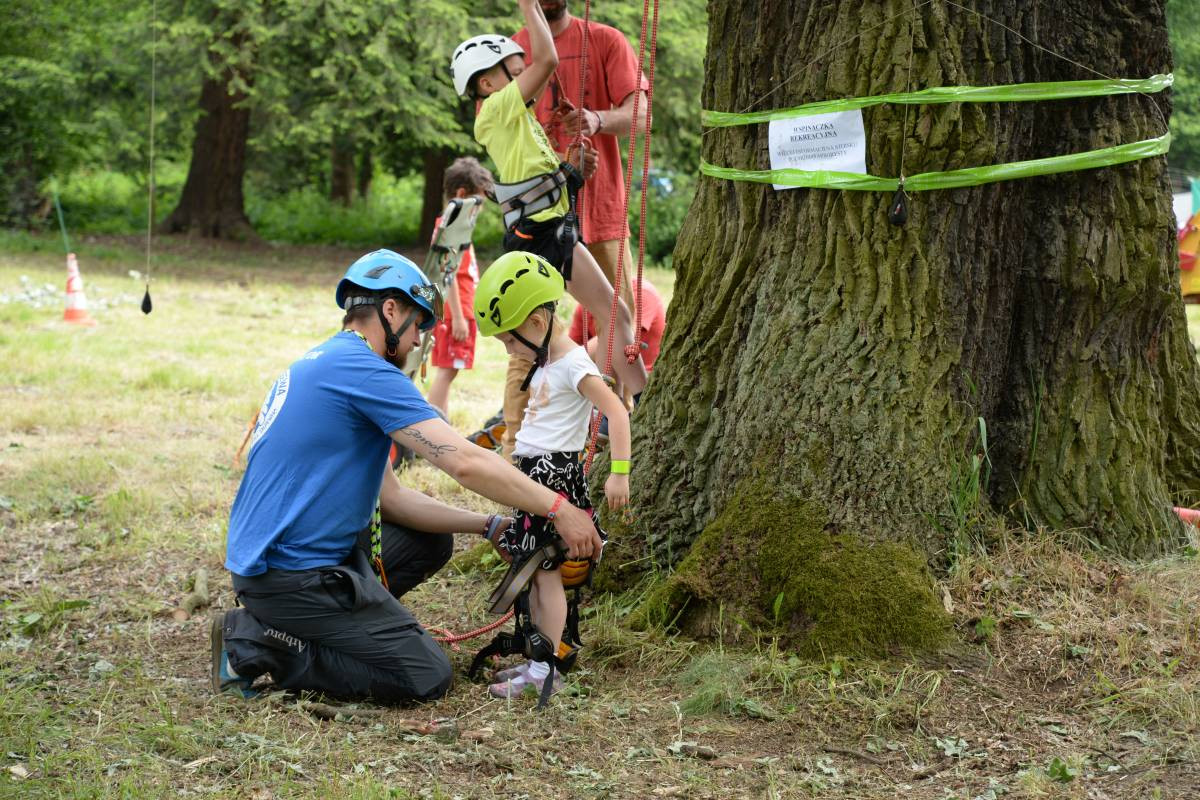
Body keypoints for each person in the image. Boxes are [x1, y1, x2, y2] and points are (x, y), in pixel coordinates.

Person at [212, 249, 603, 705]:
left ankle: (309, 627)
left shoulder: (329, 362)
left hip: (287, 565)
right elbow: (464, 460)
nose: (419, 339)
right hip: (291, 575)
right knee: (425, 675)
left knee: (428, 540)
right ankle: (255, 642)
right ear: (390, 309)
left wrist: (489, 525)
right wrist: (559, 508)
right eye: (418, 324)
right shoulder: (366, 373)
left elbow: (392, 499)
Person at [450, 0, 648, 458]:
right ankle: (532, 439)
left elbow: (536, 185)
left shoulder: (514, 120)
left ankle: (636, 406)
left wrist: (573, 172)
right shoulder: (496, 109)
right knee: (534, 343)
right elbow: (549, 59)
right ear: (487, 81)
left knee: (615, 315)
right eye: (512, 72)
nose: (528, 83)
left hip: (551, 228)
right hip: (540, 236)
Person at [471, 250, 631, 700]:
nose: (509, 351)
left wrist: (619, 473)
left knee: (547, 573)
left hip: (554, 477)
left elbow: (617, 411)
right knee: (538, 573)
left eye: (509, 342)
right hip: (534, 477)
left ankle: (547, 668)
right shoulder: (546, 362)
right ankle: (538, 659)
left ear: (537, 324)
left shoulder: (574, 364)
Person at [426, 157, 493, 418]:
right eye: (479, 204)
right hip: (456, 313)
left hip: (460, 311)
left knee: (448, 371)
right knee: (447, 371)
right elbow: (448, 274)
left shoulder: (455, 228)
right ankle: (434, 425)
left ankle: (440, 424)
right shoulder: (450, 230)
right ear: (462, 195)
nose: (480, 210)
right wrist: (458, 317)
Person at [569, 273, 666, 372]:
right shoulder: (586, 305)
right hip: (605, 376)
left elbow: (620, 336)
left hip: (648, 378)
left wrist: (569, 360)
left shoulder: (642, 292)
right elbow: (570, 348)